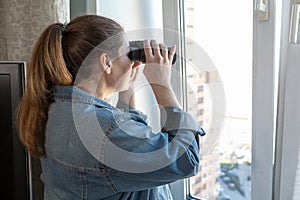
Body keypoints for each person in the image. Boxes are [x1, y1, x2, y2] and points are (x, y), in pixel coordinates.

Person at [16, 15, 205, 200]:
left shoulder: (57, 107)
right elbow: (186, 158)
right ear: (106, 62)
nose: (131, 60)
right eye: (127, 53)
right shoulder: (105, 129)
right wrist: (162, 84)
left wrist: (127, 91)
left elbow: (123, 153)